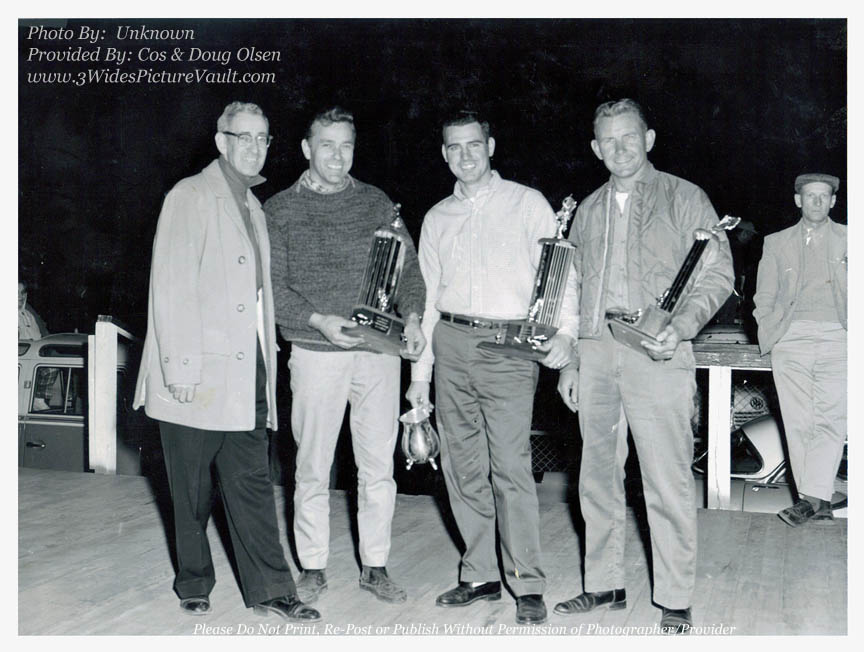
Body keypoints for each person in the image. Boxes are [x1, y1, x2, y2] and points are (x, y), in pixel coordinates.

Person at [133, 102, 319, 622]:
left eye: (263, 138)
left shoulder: (253, 205)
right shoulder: (190, 195)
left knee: (252, 482)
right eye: (244, 137)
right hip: (195, 372)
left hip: (246, 373)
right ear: (221, 142)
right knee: (190, 489)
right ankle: (194, 581)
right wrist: (180, 369)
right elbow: (170, 287)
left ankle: (273, 589)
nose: (255, 147)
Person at [553, 99, 734, 634]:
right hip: (597, 353)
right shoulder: (587, 210)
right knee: (595, 477)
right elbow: (573, 288)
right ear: (595, 148)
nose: (620, 148)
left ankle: (675, 597)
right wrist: (572, 362)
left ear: (649, 138)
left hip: (658, 349)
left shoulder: (685, 197)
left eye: (629, 136)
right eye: (608, 140)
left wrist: (682, 327)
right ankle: (603, 584)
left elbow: (717, 273)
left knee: (665, 477)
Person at [405, 110, 577, 626]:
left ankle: (527, 582)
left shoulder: (527, 204)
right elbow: (427, 300)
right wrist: (419, 378)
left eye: (473, 144)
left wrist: (565, 335)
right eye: (454, 147)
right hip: (451, 340)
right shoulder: (437, 218)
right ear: (444, 154)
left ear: (491, 146)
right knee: (461, 466)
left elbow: (561, 274)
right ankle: (479, 574)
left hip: (508, 346)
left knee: (510, 465)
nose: (465, 155)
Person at [265, 106, 426, 605]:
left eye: (346, 146)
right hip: (316, 351)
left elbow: (408, 270)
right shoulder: (279, 210)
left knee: (378, 466)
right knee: (313, 466)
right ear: (306, 149)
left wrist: (413, 317)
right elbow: (272, 287)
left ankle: (375, 566)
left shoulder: (376, 202)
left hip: (378, 353)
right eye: (327, 145)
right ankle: (312, 567)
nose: (337, 156)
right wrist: (319, 321)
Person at [753, 173, 846, 526]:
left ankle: (810, 500)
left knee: (831, 419)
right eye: (810, 196)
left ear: (833, 201)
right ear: (798, 201)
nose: (817, 202)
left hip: (840, 336)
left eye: (824, 196)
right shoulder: (776, 243)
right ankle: (818, 501)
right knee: (798, 421)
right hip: (791, 338)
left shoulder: (852, 238)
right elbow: (764, 294)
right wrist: (771, 329)